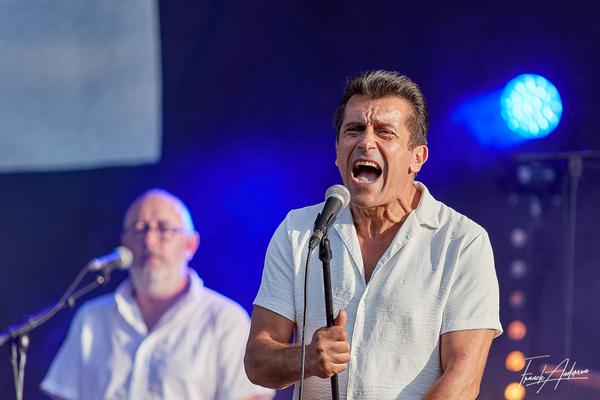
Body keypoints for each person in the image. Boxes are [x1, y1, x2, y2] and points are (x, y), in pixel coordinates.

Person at [244, 70, 503, 399]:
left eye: (385, 132)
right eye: (353, 130)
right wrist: (306, 358)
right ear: (338, 149)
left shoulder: (462, 242)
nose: (365, 142)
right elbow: (257, 363)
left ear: (417, 158)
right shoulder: (299, 230)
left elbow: (462, 383)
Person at [41, 189, 274, 400]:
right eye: (139, 229)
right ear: (124, 243)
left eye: (164, 229)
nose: (149, 241)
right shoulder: (92, 317)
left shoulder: (225, 320)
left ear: (190, 245)